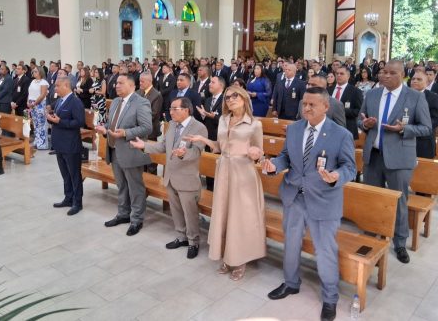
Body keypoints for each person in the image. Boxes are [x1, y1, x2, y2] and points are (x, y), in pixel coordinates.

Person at [263, 87, 356, 321]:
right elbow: (286, 156)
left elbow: (350, 167)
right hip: (295, 196)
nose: (306, 108)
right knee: (291, 243)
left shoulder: (341, 134)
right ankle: (291, 283)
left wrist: (336, 176)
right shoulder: (295, 129)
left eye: (312, 104)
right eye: (304, 103)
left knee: (325, 250)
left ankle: (330, 298)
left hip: (324, 200)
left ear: (326, 107)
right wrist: (274, 165)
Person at [185, 85, 266, 281]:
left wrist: (256, 153)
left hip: (243, 173)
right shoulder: (223, 120)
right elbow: (219, 146)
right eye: (227, 97)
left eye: (235, 95)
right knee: (224, 214)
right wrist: (203, 139)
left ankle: (240, 259)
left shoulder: (255, 124)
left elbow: (259, 152)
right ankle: (227, 256)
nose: (230, 99)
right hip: (224, 170)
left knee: (240, 217)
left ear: (244, 98)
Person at [358, 60, 432, 264]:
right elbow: (360, 120)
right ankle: (371, 235)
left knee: (399, 201)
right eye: (384, 72)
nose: (386, 76)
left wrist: (404, 129)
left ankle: (399, 242)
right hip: (373, 156)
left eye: (391, 73)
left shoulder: (415, 97)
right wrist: (365, 124)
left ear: (402, 75)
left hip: (399, 157)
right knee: (372, 199)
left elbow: (426, 128)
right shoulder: (372, 94)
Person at [130, 97, 208, 259]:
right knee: (176, 210)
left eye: (174, 109)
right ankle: (181, 236)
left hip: (187, 178)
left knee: (190, 213)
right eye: (170, 109)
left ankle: (193, 242)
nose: (170, 112)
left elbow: (196, 152)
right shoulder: (172, 125)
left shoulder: (199, 127)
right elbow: (163, 146)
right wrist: (144, 146)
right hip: (170, 176)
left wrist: (184, 153)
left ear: (186, 110)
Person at [95, 74, 152, 236]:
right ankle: (123, 214)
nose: (116, 86)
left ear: (132, 85)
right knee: (121, 185)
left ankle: (136, 219)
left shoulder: (141, 102)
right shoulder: (115, 102)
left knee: (135, 187)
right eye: (116, 83)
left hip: (131, 150)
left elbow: (147, 127)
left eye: (121, 83)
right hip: (114, 149)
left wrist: (126, 133)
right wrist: (105, 129)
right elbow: (112, 123)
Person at [48, 76, 86, 215]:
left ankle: (77, 202)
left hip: (70, 144)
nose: (55, 88)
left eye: (57, 86)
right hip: (59, 143)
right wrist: (51, 119)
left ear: (66, 85)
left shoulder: (75, 102)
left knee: (74, 175)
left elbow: (79, 122)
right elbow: (58, 119)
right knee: (65, 174)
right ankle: (68, 198)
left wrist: (60, 122)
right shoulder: (60, 100)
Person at [328, 66, 363, 139]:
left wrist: (340, 111)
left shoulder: (355, 91)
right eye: (337, 73)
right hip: (329, 128)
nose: (338, 75)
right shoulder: (328, 90)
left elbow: (358, 111)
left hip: (347, 128)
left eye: (341, 74)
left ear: (348, 76)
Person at [410, 70, 438, 158]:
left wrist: (416, 127)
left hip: (423, 142)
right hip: (404, 140)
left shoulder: (433, 97)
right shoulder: (404, 96)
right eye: (413, 79)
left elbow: (436, 119)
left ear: (427, 83)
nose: (415, 81)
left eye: (419, 79)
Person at [27, 67, 50, 150]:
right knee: (35, 123)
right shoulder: (33, 81)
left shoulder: (44, 82)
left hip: (39, 104)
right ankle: (37, 141)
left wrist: (34, 103)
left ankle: (42, 144)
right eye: (33, 71)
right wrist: (28, 101)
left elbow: (43, 95)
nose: (33, 73)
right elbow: (29, 93)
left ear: (40, 72)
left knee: (41, 124)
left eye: (35, 71)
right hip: (32, 104)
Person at [137, 72, 163, 141]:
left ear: (149, 81)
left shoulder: (157, 95)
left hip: (150, 131)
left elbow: (153, 114)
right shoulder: (138, 92)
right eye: (140, 81)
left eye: (142, 81)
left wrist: (136, 119)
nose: (140, 83)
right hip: (137, 129)